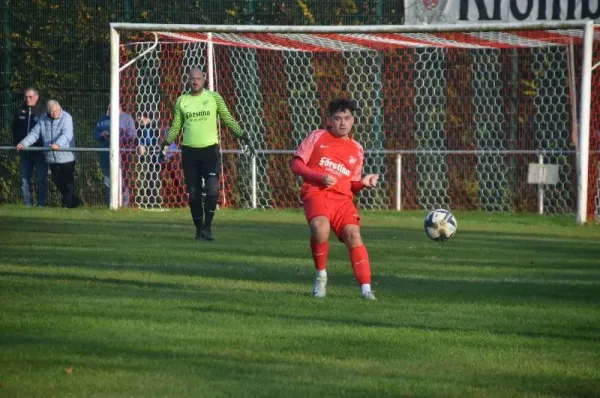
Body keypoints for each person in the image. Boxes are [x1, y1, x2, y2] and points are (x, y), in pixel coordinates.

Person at [290, 98, 379, 300]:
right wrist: (319, 177)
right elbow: (296, 164)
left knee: (353, 235)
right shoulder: (317, 136)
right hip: (316, 192)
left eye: (347, 118)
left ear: (353, 120)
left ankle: (366, 290)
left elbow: (352, 185)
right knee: (321, 227)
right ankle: (321, 275)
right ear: (329, 120)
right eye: (337, 118)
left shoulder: (357, 148)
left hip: (343, 200)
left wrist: (363, 183)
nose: (342, 123)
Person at [159, 67, 256, 241]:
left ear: (204, 79)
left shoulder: (214, 98)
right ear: (188, 80)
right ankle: (198, 230)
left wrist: (243, 136)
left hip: (210, 151)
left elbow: (227, 119)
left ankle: (208, 227)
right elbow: (175, 126)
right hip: (189, 152)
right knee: (194, 194)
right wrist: (165, 144)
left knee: (212, 191)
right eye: (192, 79)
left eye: (198, 78)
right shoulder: (182, 101)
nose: (195, 81)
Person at [17, 100, 81, 208]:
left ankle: (66, 206)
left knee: (68, 182)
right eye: (52, 111)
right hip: (51, 157)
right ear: (48, 111)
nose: (55, 113)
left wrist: (58, 144)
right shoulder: (43, 119)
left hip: (67, 157)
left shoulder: (66, 117)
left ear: (60, 108)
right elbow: (34, 134)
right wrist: (23, 143)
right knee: (57, 181)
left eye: (56, 110)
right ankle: (75, 202)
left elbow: (67, 134)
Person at [94, 104, 136, 207]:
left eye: (111, 109)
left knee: (124, 182)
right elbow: (95, 134)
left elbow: (132, 134)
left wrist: (116, 139)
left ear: (119, 108)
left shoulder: (127, 118)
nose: (108, 112)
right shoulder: (103, 119)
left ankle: (124, 206)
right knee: (108, 181)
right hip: (106, 154)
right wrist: (102, 134)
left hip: (124, 154)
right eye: (108, 109)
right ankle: (110, 206)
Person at [12, 88, 48, 207]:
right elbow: (14, 128)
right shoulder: (20, 110)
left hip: (39, 151)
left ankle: (41, 205)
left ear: (36, 97)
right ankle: (27, 204)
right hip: (24, 151)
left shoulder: (43, 110)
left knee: (41, 180)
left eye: (30, 97)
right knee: (24, 179)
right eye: (26, 97)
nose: (28, 99)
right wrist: (17, 143)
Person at [136, 110, 178, 208]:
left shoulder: (159, 126)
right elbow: (141, 142)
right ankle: (153, 203)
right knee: (151, 179)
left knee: (177, 180)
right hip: (154, 158)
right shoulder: (141, 129)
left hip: (170, 156)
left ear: (147, 117)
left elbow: (164, 141)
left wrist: (149, 148)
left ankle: (184, 202)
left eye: (140, 116)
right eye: (138, 117)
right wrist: (141, 147)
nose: (138, 119)